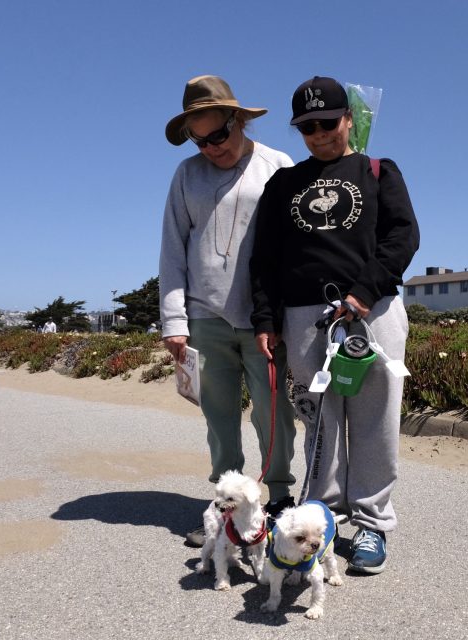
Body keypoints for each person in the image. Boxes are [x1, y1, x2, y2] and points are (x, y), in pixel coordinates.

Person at [250, 76, 420, 574]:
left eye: (328, 122)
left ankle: (371, 521)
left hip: (374, 312)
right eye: (307, 127)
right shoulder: (283, 184)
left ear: (349, 118)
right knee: (318, 420)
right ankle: (320, 517)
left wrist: (364, 291)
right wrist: (266, 317)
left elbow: (403, 236)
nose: (319, 134)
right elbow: (264, 259)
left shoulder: (378, 171)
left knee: (375, 419)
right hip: (305, 316)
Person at [159, 75, 298, 547]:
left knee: (272, 412)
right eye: (199, 141)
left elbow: (297, 246)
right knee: (218, 416)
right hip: (204, 315)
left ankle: (277, 497)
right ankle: (225, 505)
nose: (210, 148)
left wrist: (286, 313)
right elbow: (172, 250)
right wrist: (174, 320)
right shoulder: (186, 175)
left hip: (264, 318)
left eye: (218, 135)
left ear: (237, 120)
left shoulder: (279, 165)